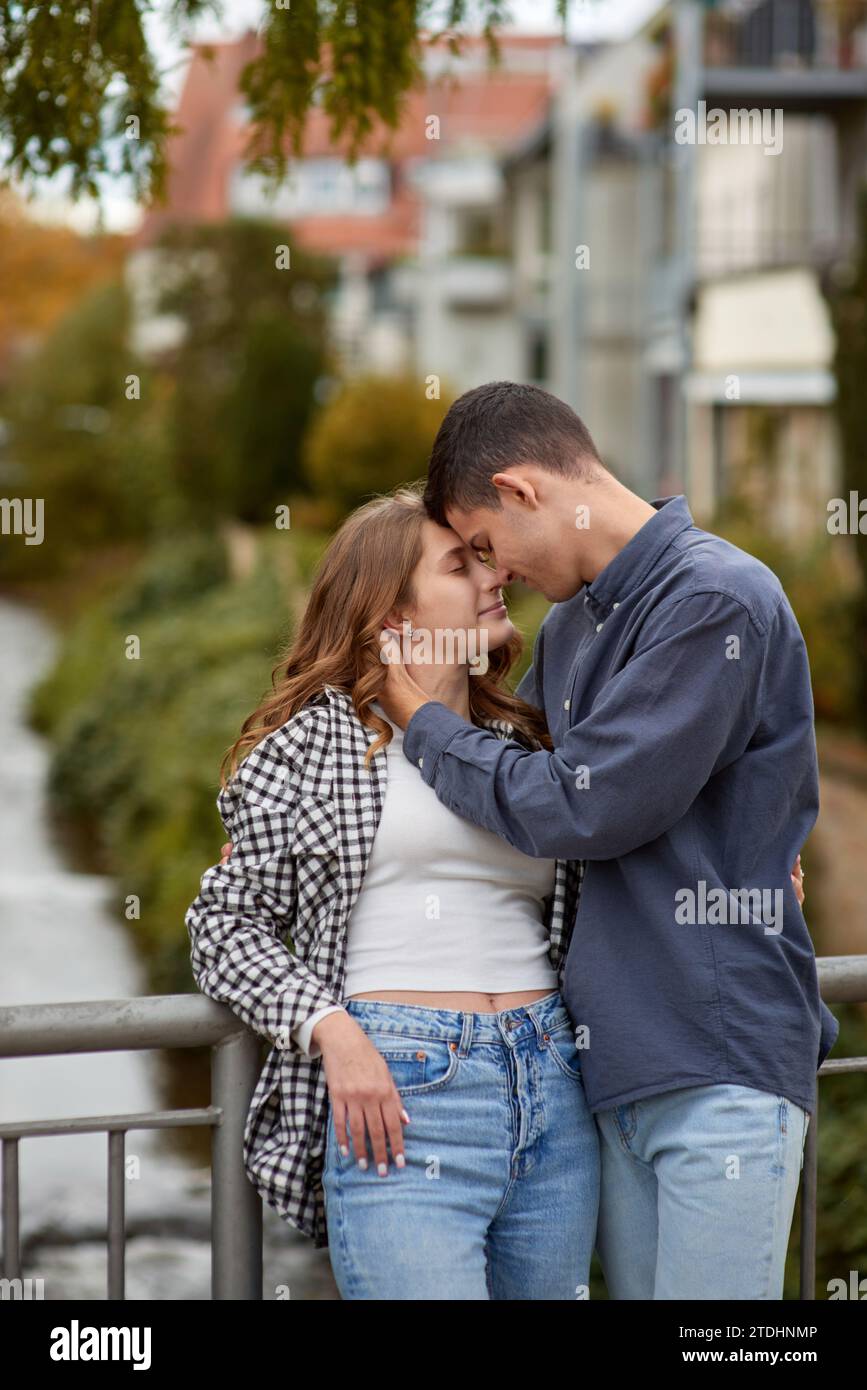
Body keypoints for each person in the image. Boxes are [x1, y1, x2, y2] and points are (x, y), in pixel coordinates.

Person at [378, 379, 836, 1301]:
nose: (491, 571)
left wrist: (418, 719)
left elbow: (575, 808)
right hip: (608, 1075)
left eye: (482, 545)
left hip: (717, 1064)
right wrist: (320, 843)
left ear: (521, 491)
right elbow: (507, 787)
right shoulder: (580, 622)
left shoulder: (716, 599)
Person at [185, 484, 599, 1300]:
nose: (495, 578)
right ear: (392, 616)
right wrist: (329, 1030)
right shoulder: (310, 744)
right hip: (403, 1090)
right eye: (462, 565)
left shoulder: (523, 742)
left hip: (552, 1078)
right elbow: (223, 922)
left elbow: (618, 847)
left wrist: (742, 868)